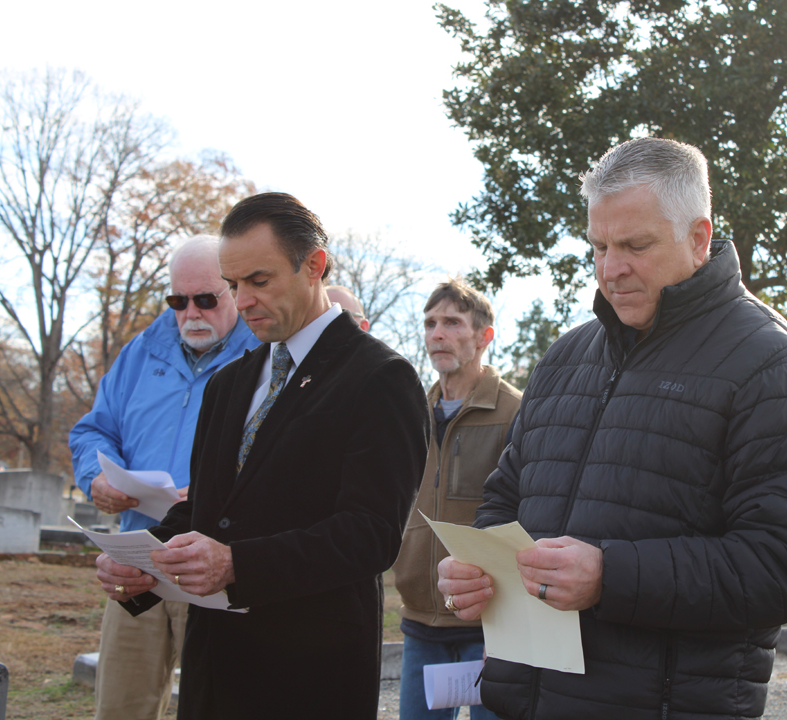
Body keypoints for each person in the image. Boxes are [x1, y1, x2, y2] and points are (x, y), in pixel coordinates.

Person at [438, 138, 787, 720]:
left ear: (699, 238)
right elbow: (507, 496)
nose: (611, 269)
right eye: (598, 246)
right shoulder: (568, 356)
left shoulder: (773, 367)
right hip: (521, 702)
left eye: (636, 245)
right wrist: (481, 570)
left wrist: (611, 575)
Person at [94, 192, 430, 720]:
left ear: (314, 266)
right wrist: (142, 562)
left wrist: (236, 564)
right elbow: (205, 509)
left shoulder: (379, 377)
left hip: (308, 672)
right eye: (232, 285)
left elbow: (371, 534)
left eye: (259, 280)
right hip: (214, 668)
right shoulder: (230, 382)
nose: (242, 300)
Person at [69, 235, 260, 720]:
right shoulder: (142, 350)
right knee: (121, 705)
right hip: (137, 558)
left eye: (206, 299)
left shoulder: (264, 355)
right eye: (177, 300)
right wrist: (96, 477)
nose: (190, 312)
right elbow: (95, 427)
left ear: (233, 291)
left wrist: (216, 491)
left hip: (213, 563)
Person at [393, 279, 521, 720]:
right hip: (420, 618)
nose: (437, 334)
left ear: (484, 336)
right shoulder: (408, 412)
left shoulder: (519, 412)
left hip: (490, 619)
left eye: (452, 322)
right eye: (429, 324)